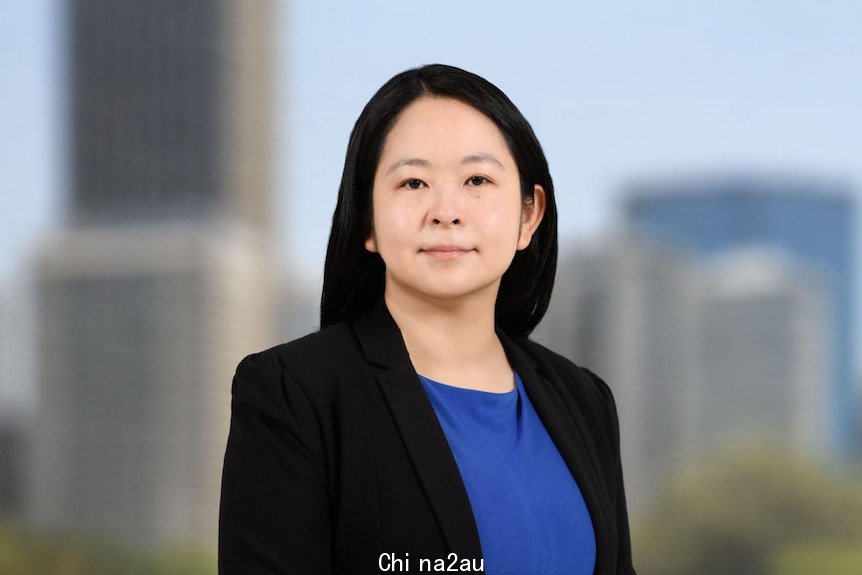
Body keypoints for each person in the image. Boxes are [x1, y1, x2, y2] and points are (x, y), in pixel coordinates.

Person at [218, 64, 635, 575]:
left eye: (477, 180)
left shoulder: (584, 401)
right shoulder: (294, 393)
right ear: (365, 219)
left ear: (530, 215)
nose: (446, 211)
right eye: (413, 182)